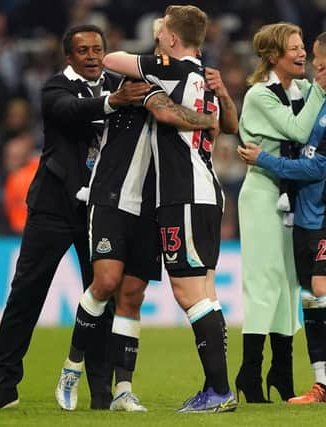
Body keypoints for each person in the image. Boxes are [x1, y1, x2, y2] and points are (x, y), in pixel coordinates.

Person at [0, 24, 151, 410]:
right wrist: (113, 102)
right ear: (68, 57)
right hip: (53, 207)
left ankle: (101, 394)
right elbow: (69, 111)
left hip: (100, 211)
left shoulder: (123, 86)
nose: (90, 55)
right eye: (83, 50)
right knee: (25, 296)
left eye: (97, 49)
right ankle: (4, 386)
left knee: (100, 297)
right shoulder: (56, 88)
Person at [54, 34, 221, 413]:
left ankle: (122, 390)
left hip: (152, 205)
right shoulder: (129, 85)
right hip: (112, 197)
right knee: (106, 282)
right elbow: (163, 111)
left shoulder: (184, 87)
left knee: (132, 296)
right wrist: (207, 120)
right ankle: (72, 366)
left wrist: (214, 106)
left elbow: (186, 112)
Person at [94, 5, 238, 413]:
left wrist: (153, 58)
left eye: (163, 34)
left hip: (183, 194)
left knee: (188, 292)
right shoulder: (205, 77)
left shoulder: (170, 69)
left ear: (172, 40)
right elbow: (228, 125)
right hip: (207, 192)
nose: (159, 39)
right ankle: (217, 388)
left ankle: (219, 391)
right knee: (205, 292)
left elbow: (110, 59)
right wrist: (217, 103)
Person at [238, 28, 326, 405]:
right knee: (308, 295)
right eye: (297, 49)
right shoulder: (312, 95)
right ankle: (320, 381)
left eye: (311, 52)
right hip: (302, 211)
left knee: (323, 289)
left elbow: (315, 167)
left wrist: (264, 159)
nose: (308, 58)